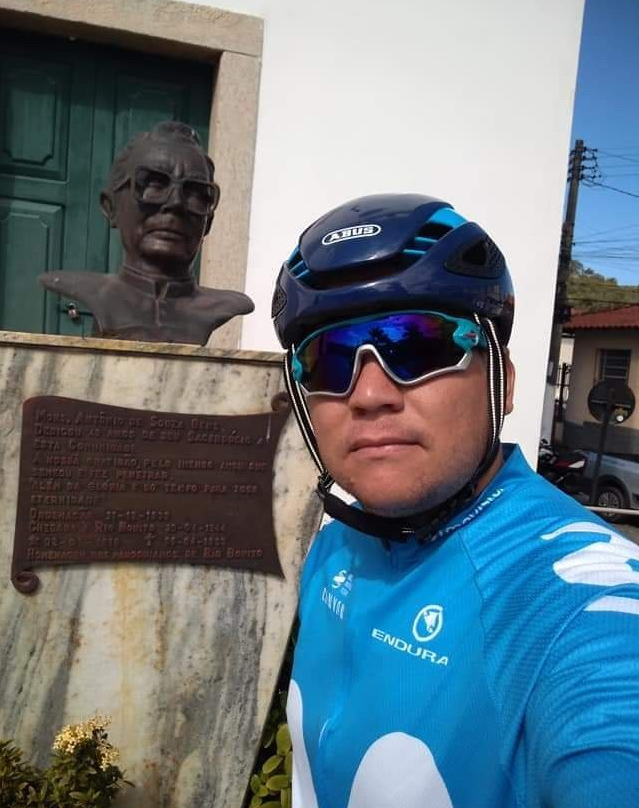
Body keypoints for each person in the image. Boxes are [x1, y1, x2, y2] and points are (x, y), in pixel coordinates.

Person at [271, 194, 639, 808]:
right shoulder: (339, 540)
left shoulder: (576, 601)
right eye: (329, 359)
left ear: (505, 379)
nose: (368, 394)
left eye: (418, 344)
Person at [39, 121, 253, 344]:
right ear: (111, 207)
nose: (176, 203)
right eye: (154, 185)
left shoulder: (224, 306)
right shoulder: (88, 291)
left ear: (208, 223)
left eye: (196, 193)